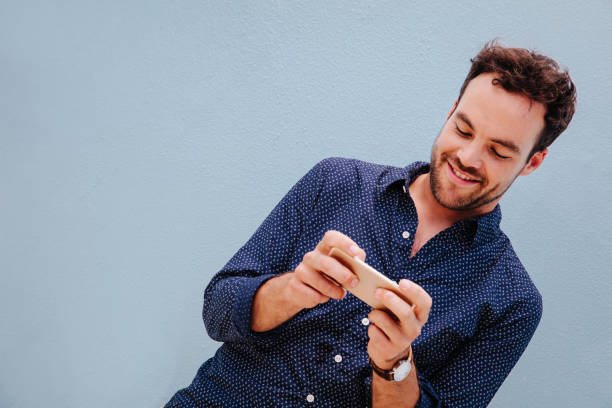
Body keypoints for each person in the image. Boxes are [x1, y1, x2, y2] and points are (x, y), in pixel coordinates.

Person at [164, 40, 576, 407]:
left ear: (532, 162)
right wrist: (289, 291)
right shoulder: (335, 181)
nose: (468, 157)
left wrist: (394, 365)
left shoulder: (513, 301)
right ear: (450, 112)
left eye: (499, 151)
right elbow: (216, 309)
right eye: (463, 128)